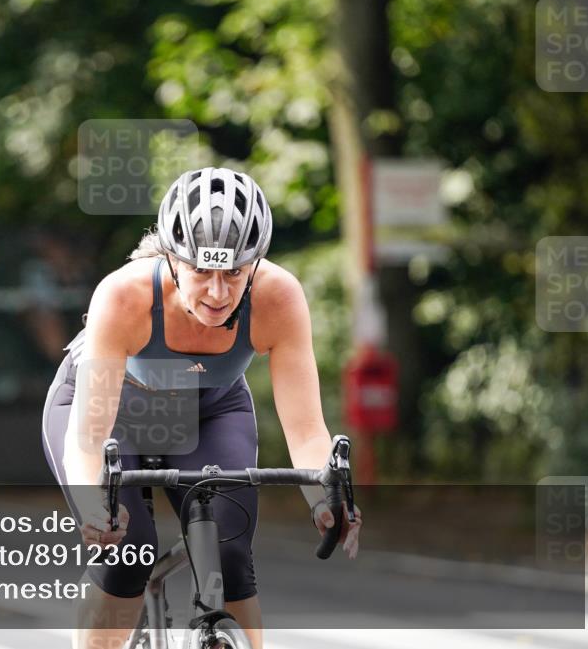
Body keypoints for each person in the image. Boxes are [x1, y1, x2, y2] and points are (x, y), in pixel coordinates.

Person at [41, 168, 362, 649]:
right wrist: (94, 506)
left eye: (234, 272)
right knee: (128, 553)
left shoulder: (278, 296)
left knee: (231, 554)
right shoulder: (124, 295)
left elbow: (307, 431)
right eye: (200, 271)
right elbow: (89, 438)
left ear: (255, 263)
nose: (217, 292)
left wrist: (324, 499)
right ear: (171, 260)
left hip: (210, 409)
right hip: (112, 414)